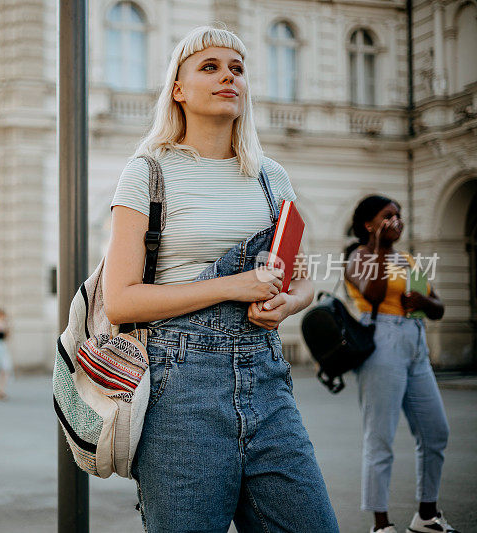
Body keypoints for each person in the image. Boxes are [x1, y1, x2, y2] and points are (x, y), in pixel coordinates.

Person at [103, 26, 338, 532]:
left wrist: (287, 303)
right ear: (179, 89)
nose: (228, 77)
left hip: (267, 377)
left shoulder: (270, 177)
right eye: (209, 67)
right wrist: (233, 286)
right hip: (178, 388)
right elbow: (120, 301)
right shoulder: (148, 172)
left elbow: (302, 279)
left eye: (237, 69)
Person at [344, 196, 456, 533]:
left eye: (399, 215)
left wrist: (423, 300)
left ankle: (426, 516)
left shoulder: (407, 260)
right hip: (382, 342)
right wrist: (378, 245)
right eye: (387, 216)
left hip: (415, 342)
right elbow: (374, 294)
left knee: (436, 431)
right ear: (369, 224)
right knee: (380, 437)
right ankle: (381, 525)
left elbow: (436, 308)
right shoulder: (357, 257)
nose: (397, 220)